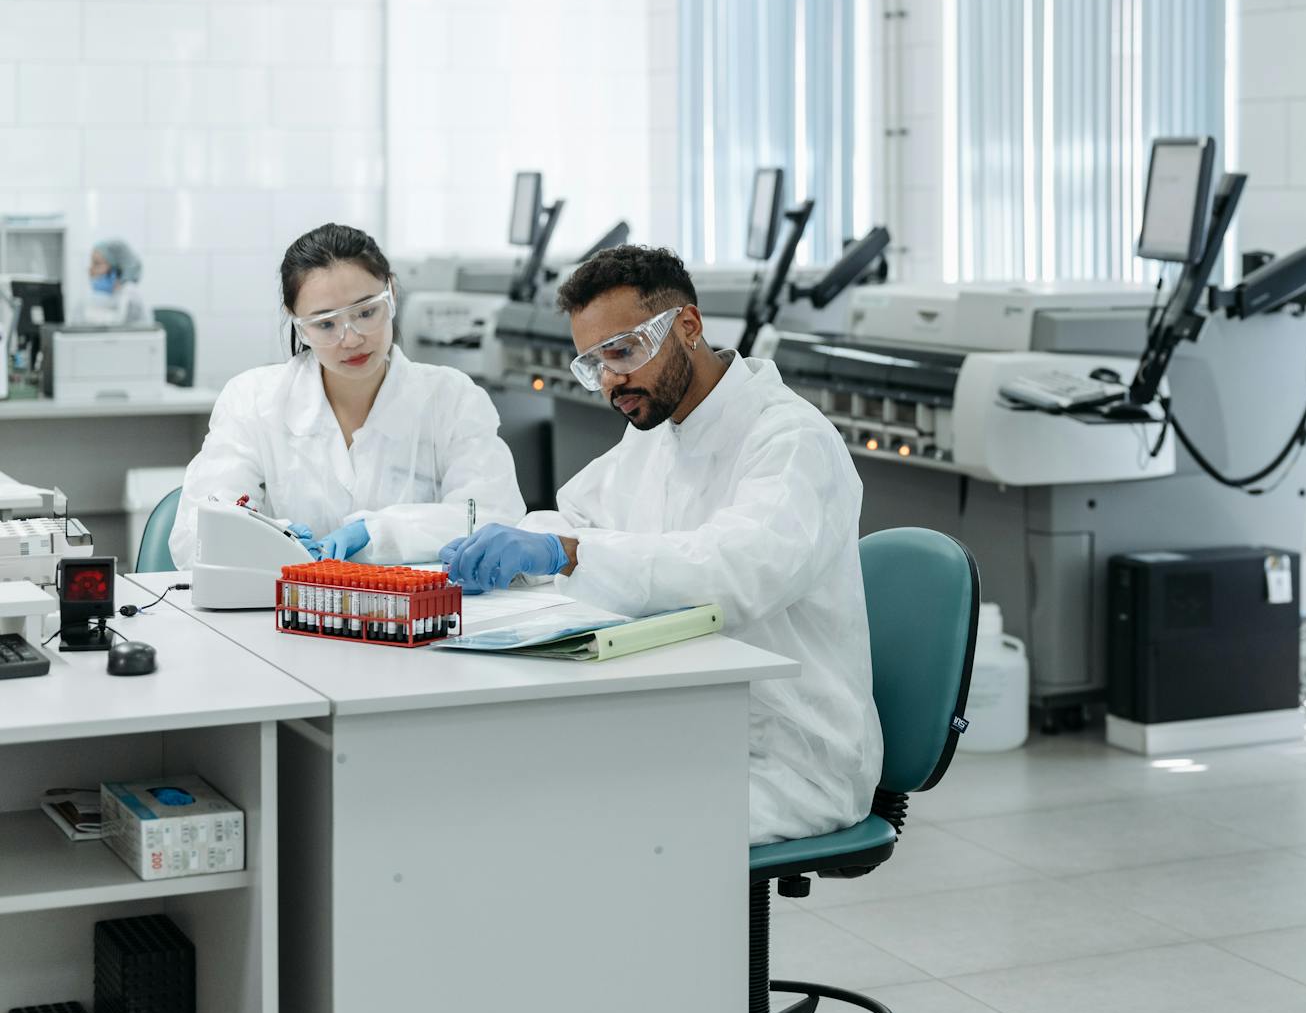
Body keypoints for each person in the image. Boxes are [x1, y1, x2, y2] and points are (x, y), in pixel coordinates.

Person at [437, 246, 882, 846]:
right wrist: (523, 542)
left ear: (688, 326)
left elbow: (735, 573)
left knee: (580, 830)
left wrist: (565, 553)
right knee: (506, 784)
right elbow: (577, 517)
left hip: (786, 753)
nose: (611, 380)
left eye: (622, 351)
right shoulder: (657, 433)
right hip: (681, 721)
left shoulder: (789, 440)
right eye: (592, 363)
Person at [169, 224, 525, 569]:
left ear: (392, 295)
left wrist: (378, 533)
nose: (351, 339)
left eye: (366, 312)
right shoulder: (252, 400)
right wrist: (273, 544)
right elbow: (196, 534)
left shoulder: (453, 399)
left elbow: (493, 518)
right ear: (299, 327)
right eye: (326, 324)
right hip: (287, 615)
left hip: (417, 620)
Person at [83, 238, 151, 326]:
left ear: (117, 270)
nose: (90, 270)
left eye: (97, 263)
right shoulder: (110, 295)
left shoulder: (130, 296)